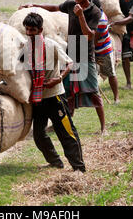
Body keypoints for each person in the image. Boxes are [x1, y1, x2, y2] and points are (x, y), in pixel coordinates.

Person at [19, 0, 106, 134]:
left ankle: (103, 127)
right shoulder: (71, 4)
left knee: (93, 91)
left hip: (85, 53)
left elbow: (89, 36)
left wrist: (80, 16)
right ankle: (64, 123)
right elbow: (54, 8)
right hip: (71, 49)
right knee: (66, 91)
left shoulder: (95, 12)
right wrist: (34, 5)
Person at [23, 12, 86, 172]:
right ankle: (55, 161)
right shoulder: (26, 47)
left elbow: (70, 63)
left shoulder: (51, 45)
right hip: (38, 98)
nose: (30, 33)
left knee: (65, 132)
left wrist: (58, 78)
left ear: (41, 30)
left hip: (55, 96)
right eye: (27, 30)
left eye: (33, 30)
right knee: (38, 135)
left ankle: (78, 167)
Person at [90, 0, 120, 106]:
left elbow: (94, 41)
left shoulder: (101, 20)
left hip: (103, 50)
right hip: (93, 48)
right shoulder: (91, 16)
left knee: (110, 73)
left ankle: (116, 98)